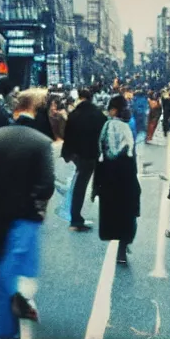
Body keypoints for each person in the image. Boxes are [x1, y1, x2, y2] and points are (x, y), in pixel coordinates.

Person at [0, 89, 55, 339]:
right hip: (26, 215)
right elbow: (47, 184)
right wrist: (36, 204)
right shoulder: (41, 142)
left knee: (2, 266)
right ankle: (20, 301)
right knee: (20, 267)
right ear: (36, 110)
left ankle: (6, 330)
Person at [92, 95, 141, 264]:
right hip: (126, 173)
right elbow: (132, 153)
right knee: (129, 212)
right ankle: (123, 245)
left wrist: (96, 185)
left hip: (108, 174)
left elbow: (100, 152)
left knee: (112, 211)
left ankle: (118, 241)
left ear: (114, 110)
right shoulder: (129, 126)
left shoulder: (107, 125)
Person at [61, 89, 107, 232]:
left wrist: (67, 153)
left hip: (78, 155)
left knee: (80, 186)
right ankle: (105, 215)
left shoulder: (74, 114)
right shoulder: (99, 115)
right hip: (94, 154)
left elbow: (67, 135)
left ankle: (76, 217)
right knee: (100, 183)